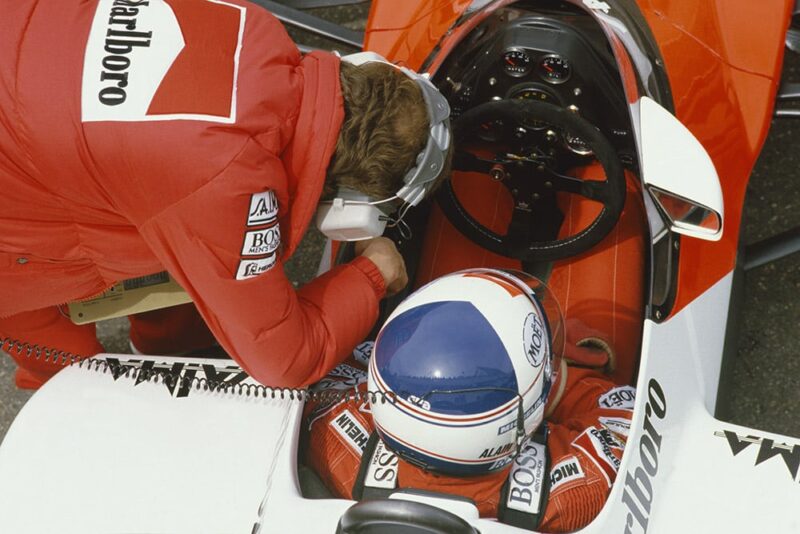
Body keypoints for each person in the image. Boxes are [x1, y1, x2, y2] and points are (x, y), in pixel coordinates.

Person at [0, 1, 450, 389]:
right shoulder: (227, 182)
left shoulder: (252, 24)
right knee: (77, 377)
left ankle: (173, 345)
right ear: (349, 213)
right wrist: (371, 274)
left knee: (167, 228)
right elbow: (287, 360)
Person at [303, 269, 634, 533]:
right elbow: (625, 413)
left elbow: (341, 360)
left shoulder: (330, 434)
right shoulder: (575, 495)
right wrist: (554, 370)